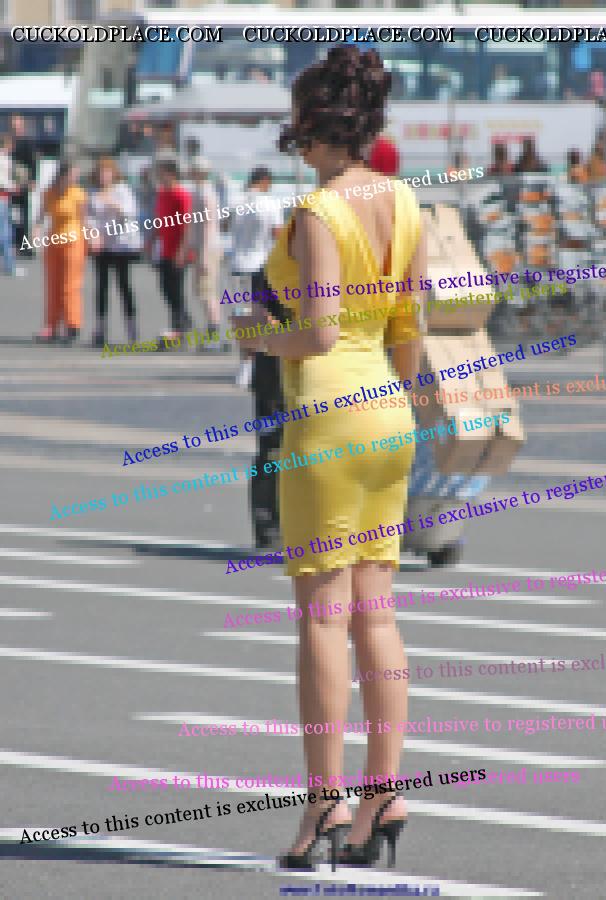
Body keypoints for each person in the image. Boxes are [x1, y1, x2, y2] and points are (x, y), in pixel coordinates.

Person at [236, 45, 425, 871]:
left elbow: (314, 333)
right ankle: (383, 792)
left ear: (314, 124)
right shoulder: (404, 199)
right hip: (388, 412)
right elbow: (409, 327)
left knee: (321, 616)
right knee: (376, 613)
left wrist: (253, 336)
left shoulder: (318, 211)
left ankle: (325, 802)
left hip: (326, 413)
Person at [230, 166, 284, 547]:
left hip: (239, 266)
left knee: (273, 447)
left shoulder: (240, 201)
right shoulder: (278, 269)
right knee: (273, 448)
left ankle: (271, 525)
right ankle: (268, 524)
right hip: (277, 373)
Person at [87, 157, 140, 347]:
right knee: (101, 286)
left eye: (107, 173)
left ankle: (132, 328)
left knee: (124, 285)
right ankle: (100, 328)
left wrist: (112, 203)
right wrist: (93, 235)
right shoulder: (93, 193)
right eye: (101, 173)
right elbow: (89, 217)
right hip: (102, 243)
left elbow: (130, 213)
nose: (104, 176)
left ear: (113, 174)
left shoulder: (122, 190)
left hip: (121, 244)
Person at [34, 161, 86, 343]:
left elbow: (83, 220)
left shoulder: (78, 194)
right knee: (53, 285)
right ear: (63, 175)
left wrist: (89, 240)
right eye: (73, 174)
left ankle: (72, 324)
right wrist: (36, 230)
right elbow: (41, 216)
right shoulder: (49, 193)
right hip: (54, 241)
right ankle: (51, 325)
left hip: (73, 241)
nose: (75, 178)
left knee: (70, 285)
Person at [151, 157, 193, 341]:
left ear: (171, 174)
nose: (159, 176)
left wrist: (182, 251)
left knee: (176, 290)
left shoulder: (181, 195)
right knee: (165, 288)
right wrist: (152, 239)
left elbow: (187, 224)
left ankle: (179, 326)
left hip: (178, 250)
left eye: (162, 173)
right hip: (164, 249)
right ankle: (182, 322)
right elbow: (158, 219)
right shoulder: (162, 193)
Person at [189, 156, 222, 344]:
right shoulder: (200, 191)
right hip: (204, 247)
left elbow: (208, 224)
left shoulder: (205, 193)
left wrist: (203, 255)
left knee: (207, 291)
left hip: (207, 248)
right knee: (203, 292)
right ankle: (211, 331)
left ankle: (214, 333)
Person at [10, 115, 37, 256]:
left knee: (24, 216)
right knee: (13, 216)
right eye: (14, 125)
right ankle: (14, 243)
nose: (16, 127)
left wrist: (33, 180)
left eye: (18, 124)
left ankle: (24, 246)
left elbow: (33, 162)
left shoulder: (27, 141)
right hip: (10, 184)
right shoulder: (10, 141)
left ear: (23, 125)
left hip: (23, 183)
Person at [0, 134, 16, 275]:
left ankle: (9, 265)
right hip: (2, 197)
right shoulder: (4, 159)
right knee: (5, 233)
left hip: (4, 197)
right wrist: (13, 187)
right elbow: (4, 181)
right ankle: (9, 266)